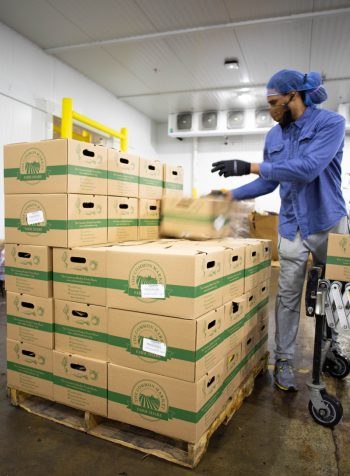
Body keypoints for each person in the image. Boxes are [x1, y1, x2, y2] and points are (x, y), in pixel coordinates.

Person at [211, 69, 349, 392]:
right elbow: (269, 181)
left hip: (329, 222)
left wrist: (248, 165)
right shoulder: (274, 137)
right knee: (287, 296)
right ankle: (284, 358)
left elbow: (307, 169)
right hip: (292, 226)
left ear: (293, 97)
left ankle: (337, 346)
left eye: (274, 102)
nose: (270, 110)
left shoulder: (330, 125)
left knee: (338, 292)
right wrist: (231, 194)